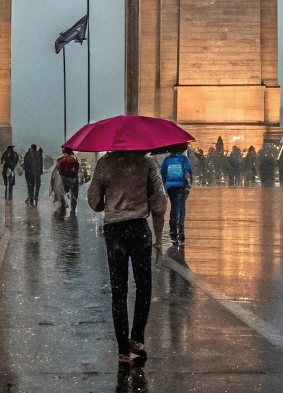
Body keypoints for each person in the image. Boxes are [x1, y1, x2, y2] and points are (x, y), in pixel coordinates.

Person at [87, 150, 168, 364]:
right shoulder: (148, 164)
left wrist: (109, 201)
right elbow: (160, 201)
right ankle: (138, 340)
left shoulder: (105, 163)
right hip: (139, 229)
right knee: (143, 286)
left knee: (118, 290)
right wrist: (158, 238)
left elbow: (94, 202)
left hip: (114, 230)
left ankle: (123, 349)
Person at [159, 144, 192, 244]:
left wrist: (165, 187)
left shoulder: (167, 160)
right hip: (181, 187)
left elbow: (162, 174)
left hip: (170, 187)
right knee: (181, 209)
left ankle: (173, 232)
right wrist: (188, 187)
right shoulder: (183, 159)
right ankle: (181, 233)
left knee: (173, 207)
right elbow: (188, 174)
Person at [56, 147, 81, 215]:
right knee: (74, 194)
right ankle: (73, 209)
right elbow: (77, 168)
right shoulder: (74, 159)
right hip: (73, 178)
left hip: (63, 178)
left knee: (63, 192)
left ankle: (63, 205)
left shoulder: (60, 159)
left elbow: (58, 168)